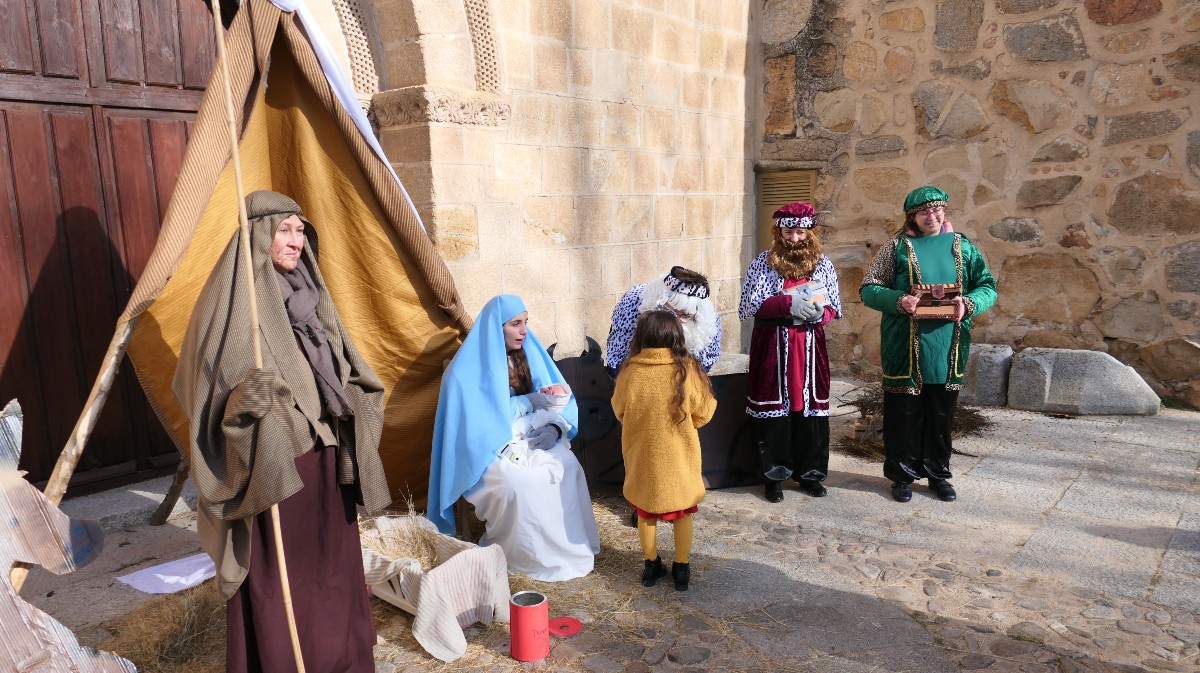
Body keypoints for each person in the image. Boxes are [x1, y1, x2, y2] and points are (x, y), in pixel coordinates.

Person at [175, 191, 390, 672]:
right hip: (277, 466)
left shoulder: (311, 293)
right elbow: (205, 386)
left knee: (332, 567)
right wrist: (240, 403)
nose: (295, 241)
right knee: (285, 577)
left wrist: (352, 396)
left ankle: (343, 659)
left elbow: (342, 364)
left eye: (299, 230)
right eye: (283, 230)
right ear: (258, 235)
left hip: (327, 453)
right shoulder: (235, 302)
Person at [428, 295, 600, 581]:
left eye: (526, 323)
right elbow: (474, 422)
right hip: (486, 449)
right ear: (497, 327)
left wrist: (555, 429)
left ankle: (566, 550)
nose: (524, 331)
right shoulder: (462, 372)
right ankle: (525, 555)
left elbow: (559, 397)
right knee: (520, 484)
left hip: (531, 435)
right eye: (515, 324)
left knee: (567, 466)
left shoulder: (528, 354)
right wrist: (528, 402)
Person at [860, 186, 997, 503]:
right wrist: (899, 300)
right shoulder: (896, 248)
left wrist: (970, 304)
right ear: (913, 216)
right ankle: (902, 476)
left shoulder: (963, 247)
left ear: (944, 212)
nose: (931, 216)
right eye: (924, 212)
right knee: (903, 413)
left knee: (940, 413)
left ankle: (938, 474)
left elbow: (987, 286)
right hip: (905, 347)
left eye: (937, 210)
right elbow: (869, 289)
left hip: (948, 347)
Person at [738, 201, 843, 503]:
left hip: (809, 349)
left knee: (809, 411)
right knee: (775, 412)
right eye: (789, 232)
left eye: (800, 232)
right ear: (778, 231)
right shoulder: (763, 262)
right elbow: (750, 305)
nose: (794, 238)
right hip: (773, 347)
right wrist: (786, 304)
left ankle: (811, 475)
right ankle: (774, 476)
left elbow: (834, 306)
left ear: (810, 232)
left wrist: (820, 314)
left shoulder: (823, 263)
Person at [612, 311, 717, 592]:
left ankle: (651, 564)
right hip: (679, 457)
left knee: (646, 512)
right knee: (683, 512)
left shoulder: (630, 371)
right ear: (675, 336)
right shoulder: (687, 370)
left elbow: (619, 410)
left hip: (642, 456)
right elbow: (704, 412)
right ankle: (681, 568)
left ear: (642, 336)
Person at [605, 266, 722, 378]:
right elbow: (617, 362)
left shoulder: (708, 323)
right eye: (670, 312)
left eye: (685, 315)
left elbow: (701, 371)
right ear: (658, 303)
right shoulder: (632, 305)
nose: (676, 321)